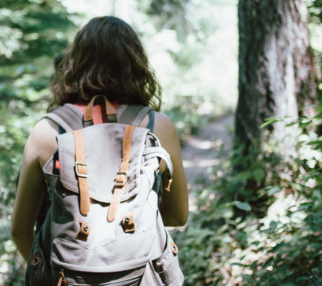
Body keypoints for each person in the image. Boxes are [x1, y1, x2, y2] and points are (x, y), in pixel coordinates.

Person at [10, 16, 189, 282]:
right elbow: (177, 215)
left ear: (75, 62)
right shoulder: (158, 127)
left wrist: (51, 272)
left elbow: (20, 229)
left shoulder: (47, 132)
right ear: (136, 64)